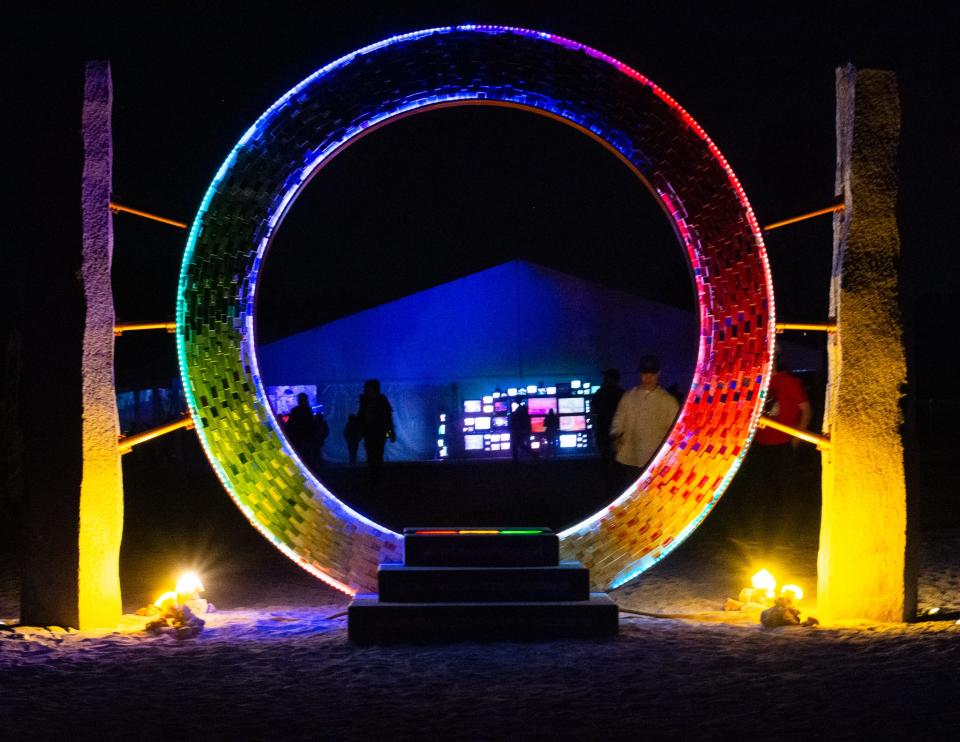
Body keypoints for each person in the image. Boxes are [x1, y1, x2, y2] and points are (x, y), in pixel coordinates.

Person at [751, 354, 813, 541]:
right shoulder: (759, 384)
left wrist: (795, 439)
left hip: (783, 445)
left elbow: (807, 410)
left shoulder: (789, 382)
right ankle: (767, 533)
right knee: (764, 492)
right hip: (763, 445)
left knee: (785, 492)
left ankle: (786, 534)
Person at [610, 355, 679, 484]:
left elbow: (676, 430)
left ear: (658, 374)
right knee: (631, 491)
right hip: (631, 454)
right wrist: (616, 435)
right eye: (644, 373)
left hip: (656, 458)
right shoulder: (629, 396)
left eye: (652, 374)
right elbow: (619, 418)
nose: (648, 378)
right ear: (640, 374)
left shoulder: (668, 401)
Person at [358, 379, 395, 484]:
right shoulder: (366, 401)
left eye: (367, 388)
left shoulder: (380, 401)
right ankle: (374, 476)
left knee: (377, 454)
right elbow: (361, 416)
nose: (366, 390)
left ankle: (376, 476)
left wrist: (391, 431)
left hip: (378, 432)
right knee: (372, 454)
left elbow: (388, 417)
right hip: (370, 432)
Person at [590, 368, 624, 463]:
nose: (604, 379)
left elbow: (593, 413)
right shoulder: (623, 394)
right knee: (618, 461)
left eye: (606, 377)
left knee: (605, 460)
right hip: (619, 433)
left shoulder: (600, 393)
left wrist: (594, 430)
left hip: (603, 432)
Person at [284, 393, 320, 468]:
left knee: (303, 454)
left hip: (301, 436)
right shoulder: (305, 410)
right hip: (302, 436)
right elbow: (310, 423)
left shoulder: (301, 410)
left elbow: (291, 424)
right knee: (304, 454)